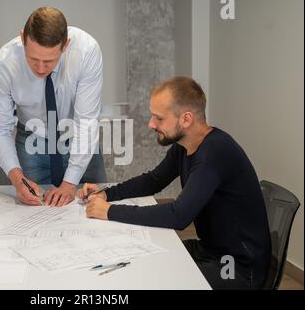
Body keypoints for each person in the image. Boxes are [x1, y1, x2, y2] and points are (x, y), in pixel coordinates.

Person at [79, 77, 271, 290]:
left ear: (186, 119)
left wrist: (109, 211)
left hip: (237, 269)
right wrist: (107, 194)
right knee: (142, 264)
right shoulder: (185, 145)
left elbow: (178, 216)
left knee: (156, 283)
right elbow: (153, 181)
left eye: (158, 118)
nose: (151, 124)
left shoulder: (214, 154)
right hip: (210, 251)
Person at [0, 7, 107, 207]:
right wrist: (18, 180)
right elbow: (0, 131)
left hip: (78, 136)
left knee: (94, 206)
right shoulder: (3, 64)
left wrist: (69, 183)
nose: (41, 69)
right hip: (32, 140)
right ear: (22, 38)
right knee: (34, 210)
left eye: (49, 61)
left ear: (65, 45)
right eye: (33, 59)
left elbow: (86, 122)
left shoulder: (87, 50)